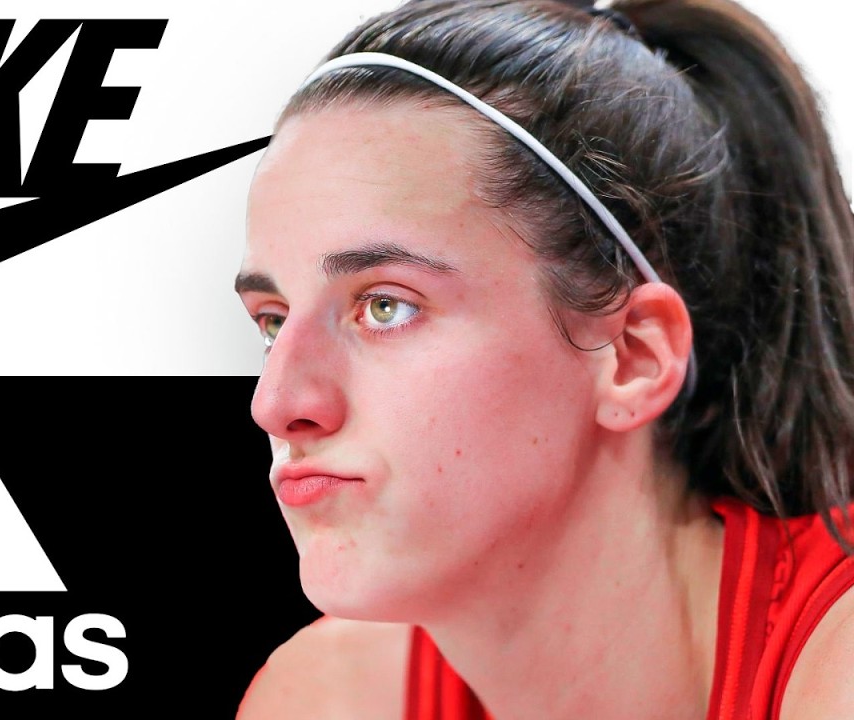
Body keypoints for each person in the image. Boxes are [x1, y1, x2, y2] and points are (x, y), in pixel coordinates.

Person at [232, 0, 853, 718]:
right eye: (273, 321)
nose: (276, 404)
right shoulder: (326, 700)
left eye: (385, 306)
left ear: (631, 356)